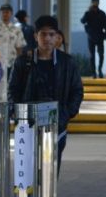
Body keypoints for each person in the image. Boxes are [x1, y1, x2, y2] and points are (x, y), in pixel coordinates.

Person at [8, 15, 84, 168]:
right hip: (28, 125)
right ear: (36, 36)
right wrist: (16, 112)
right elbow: (12, 90)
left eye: (51, 34)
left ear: (57, 37)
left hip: (57, 125)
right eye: (43, 34)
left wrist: (66, 113)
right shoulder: (23, 62)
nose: (47, 38)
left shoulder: (67, 62)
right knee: (28, 170)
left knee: (51, 171)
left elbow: (77, 90)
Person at [80, 0, 106, 78]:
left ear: (98, 3)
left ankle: (100, 70)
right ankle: (93, 72)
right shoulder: (88, 13)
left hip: (100, 36)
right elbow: (82, 21)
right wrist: (87, 12)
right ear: (91, 3)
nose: (95, 4)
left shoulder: (102, 14)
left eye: (96, 2)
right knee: (92, 55)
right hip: (91, 36)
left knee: (101, 54)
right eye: (94, 2)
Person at [0, 3, 26, 72]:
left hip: (12, 64)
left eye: (7, 12)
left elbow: (19, 48)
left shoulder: (17, 30)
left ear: (11, 14)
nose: (5, 14)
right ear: (0, 13)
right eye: (3, 12)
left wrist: (18, 63)